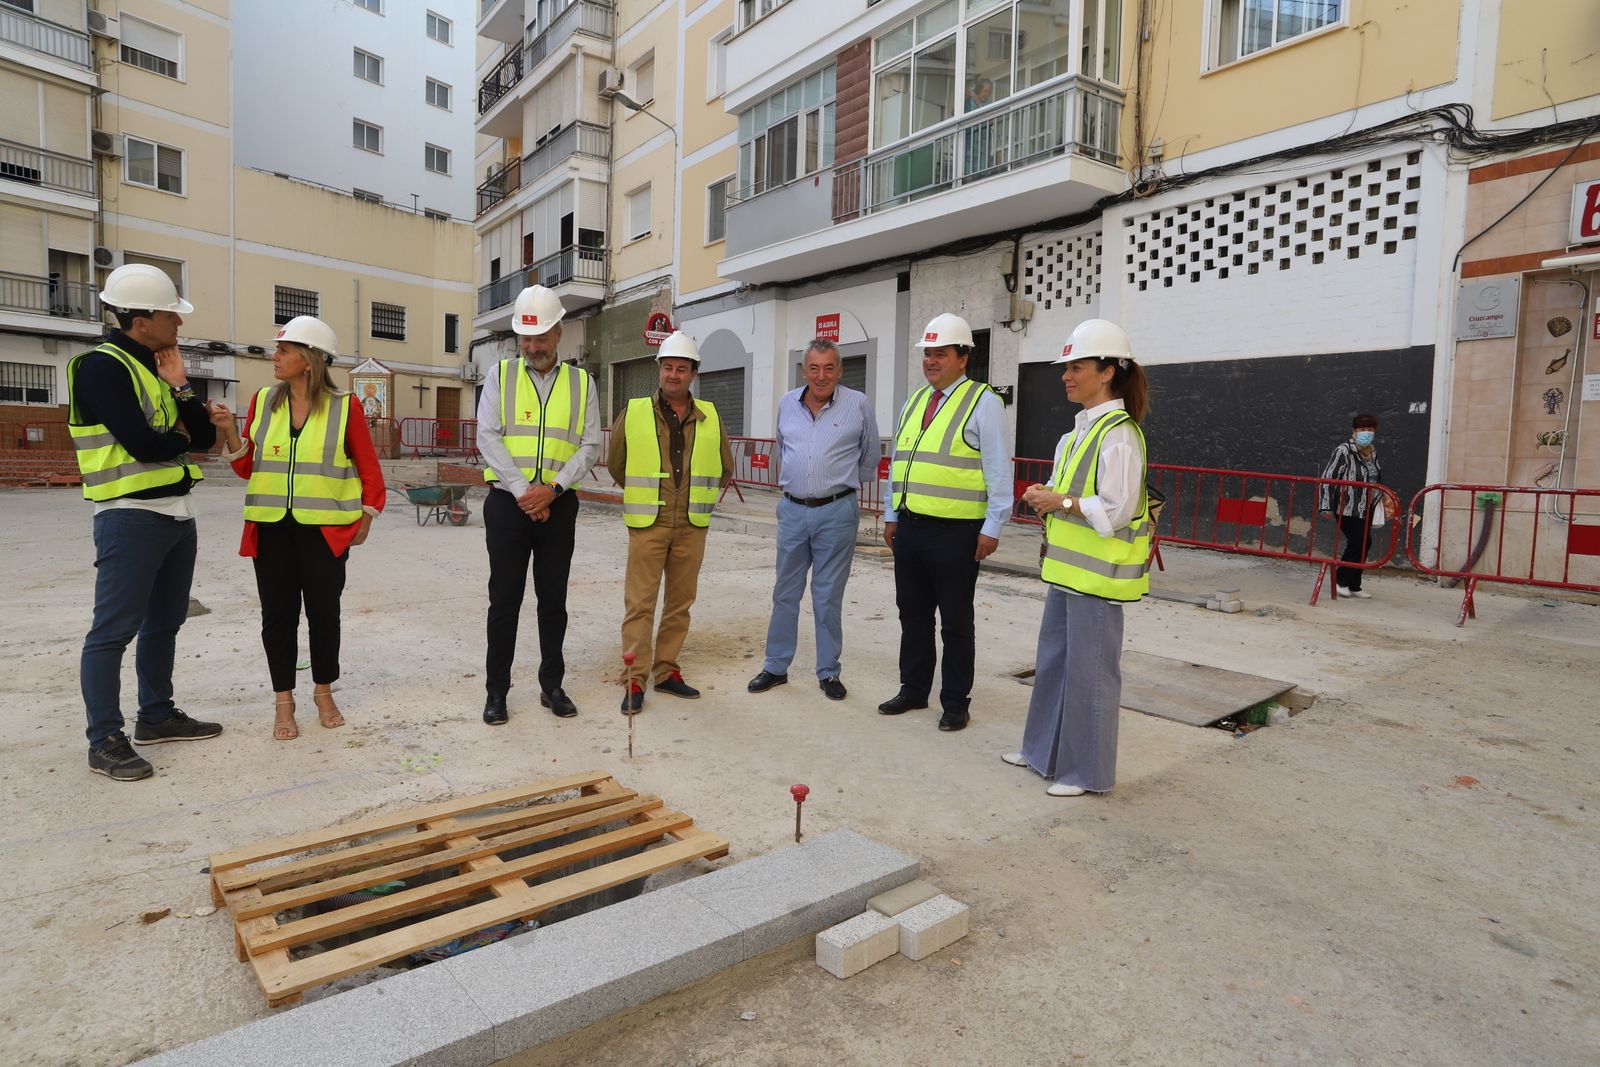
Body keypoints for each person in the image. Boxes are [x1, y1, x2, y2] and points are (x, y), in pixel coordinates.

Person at [68, 263, 221, 781]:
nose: (178, 324)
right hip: (129, 514)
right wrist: (178, 439)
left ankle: (155, 716)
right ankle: (104, 740)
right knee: (112, 632)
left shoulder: (156, 369)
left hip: (177, 514)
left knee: (165, 623)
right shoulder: (100, 367)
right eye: (169, 314)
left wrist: (181, 388)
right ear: (140, 319)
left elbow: (200, 438)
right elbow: (148, 445)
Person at [212, 316, 386, 739]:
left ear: (309, 360)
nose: (276, 356)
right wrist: (231, 432)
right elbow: (246, 467)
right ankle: (283, 702)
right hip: (271, 528)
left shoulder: (346, 407)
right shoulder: (263, 401)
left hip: (325, 530)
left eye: (285, 350)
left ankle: (323, 692)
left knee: (324, 615)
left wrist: (368, 514)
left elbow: (368, 466)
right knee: (278, 617)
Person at [1004, 319, 1154, 797]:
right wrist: (1048, 495)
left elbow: (1119, 508)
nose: (1067, 376)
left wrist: (1062, 502)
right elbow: (1074, 495)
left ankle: (1086, 773)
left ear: (1108, 371)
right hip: (1067, 572)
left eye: (1078, 366)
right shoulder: (1075, 434)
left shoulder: (1120, 435)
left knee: (1091, 676)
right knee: (1053, 664)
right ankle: (1041, 753)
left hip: (1098, 579)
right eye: (1066, 367)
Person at [878, 312, 1012, 732]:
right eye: (927, 354)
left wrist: (993, 526)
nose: (931, 361)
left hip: (957, 534)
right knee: (912, 613)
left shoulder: (983, 402)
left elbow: (997, 470)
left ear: (962, 358)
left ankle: (955, 702)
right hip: (912, 527)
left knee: (955, 621)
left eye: (940, 353)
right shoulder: (915, 401)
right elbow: (900, 463)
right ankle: (913, 689)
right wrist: (891, 513)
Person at [475, 285, 601, 724]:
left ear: (558, 333)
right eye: (525, 339)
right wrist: (523, 490)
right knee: (504, 601)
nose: (532, 347)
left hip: (558, 504)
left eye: (540, 337)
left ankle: (552, 686)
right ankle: (497, 692)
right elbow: (486, 436)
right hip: (508, 505)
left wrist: (553, 489)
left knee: (553, 602)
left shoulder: (582, 382)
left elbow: (589, 445)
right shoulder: (500, 375)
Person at [609, 331, 735, 714]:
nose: (674, 375)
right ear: (659, 370)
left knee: (680, 604)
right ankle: (634, 681)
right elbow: (617, 464)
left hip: (691, 524)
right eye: (668, 368)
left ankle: (666, 672)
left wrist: (695, 499)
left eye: (682, 369)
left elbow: (725, 468)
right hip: (649, 521)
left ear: (694, 373)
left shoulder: (710, 416)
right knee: (640, 604)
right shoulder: (633, 412)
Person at [748, 339, 880, 701]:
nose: (821, 376)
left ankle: (828, 672)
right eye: (814, 368)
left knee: (827, 596)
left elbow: (870, 455)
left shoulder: (858, 404)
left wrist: (839, 487)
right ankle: (776, 667)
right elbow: (782, 446)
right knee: (785, 592)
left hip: (837, 511)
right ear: (804, 370)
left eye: (829, 368)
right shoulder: (787, 403)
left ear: (839, 370)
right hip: (792, 510)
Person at [1319, 413, 1384, 599]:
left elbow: (1375, 477)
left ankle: (1354, 585)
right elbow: (1328, 477)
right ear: (1354, 431)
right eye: (1362, 429)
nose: (1367, 432)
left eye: (1370, 429)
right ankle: (1340, 581)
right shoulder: (1344, 450)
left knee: (1365, 543)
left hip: (1367, 506)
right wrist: (1325, 505)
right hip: (1347, 505)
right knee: (1357, 542)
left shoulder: (1372, 452)